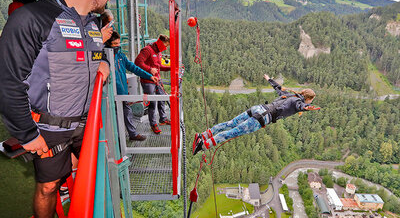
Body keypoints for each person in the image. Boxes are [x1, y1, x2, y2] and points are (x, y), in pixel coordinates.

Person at [0, 0, 112, 218]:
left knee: (80, 175)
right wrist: (27, 134)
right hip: (49, 128)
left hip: (85, 125)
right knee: (48, 186)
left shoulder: (91, 22)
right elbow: (8, 81)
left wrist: (103, 65)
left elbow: (91, 56)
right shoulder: (32, 18)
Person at [192, 74, 320, 155]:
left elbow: (278, 88)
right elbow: (301, 106)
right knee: (232, 132)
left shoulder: (291, 94)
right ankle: (203, 145)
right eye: (310, 101)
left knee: (230, 124)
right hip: (262, 118)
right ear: (308, 98)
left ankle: (202, 136)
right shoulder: (299, 102)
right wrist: (308, 108)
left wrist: (269, 79)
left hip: (258, 108)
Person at [106, 31, 158, 141]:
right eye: (114, 44)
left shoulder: (121, 56)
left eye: (118, 43)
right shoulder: (105, 58)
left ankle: (132, 134)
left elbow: (134, 68)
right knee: (115, 119)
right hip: (111, 95)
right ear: (107, 44)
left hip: (122, 93)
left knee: (127, 112)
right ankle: (118, 140)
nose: (117, 46)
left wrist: (149, 76)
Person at [135, 35, 171, 134]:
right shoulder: (147, 50)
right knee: (152, 102)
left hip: (157, 80)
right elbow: (137, 62)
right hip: (148, 81)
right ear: (161, 43)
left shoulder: (158, 53)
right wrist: (149, 69)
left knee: (162, 98)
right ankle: (153, 124)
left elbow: (159, 67)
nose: (166, 48)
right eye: (165, 45)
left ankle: (162, 119)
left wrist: (170, 68)